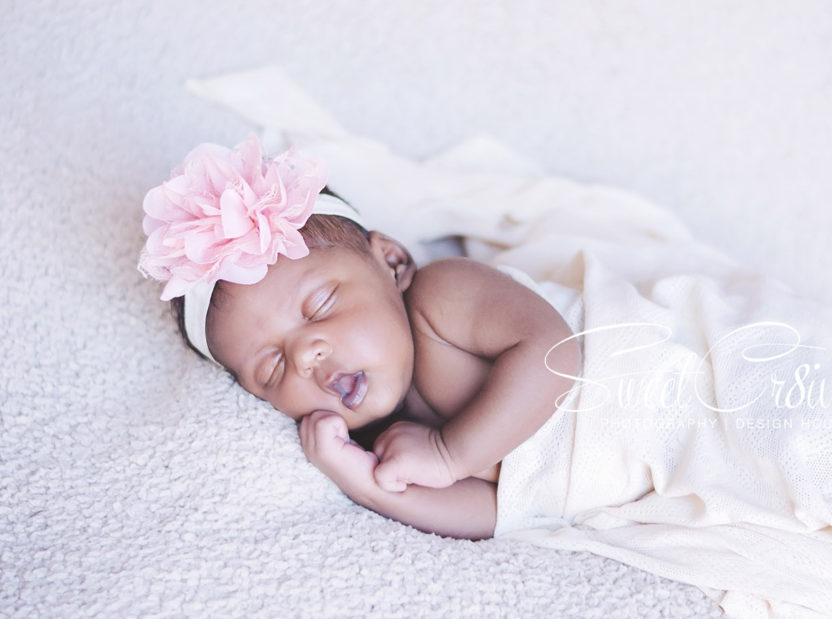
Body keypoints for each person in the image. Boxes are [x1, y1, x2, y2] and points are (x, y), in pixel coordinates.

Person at [138, 135, 581, 540]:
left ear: (391, 261)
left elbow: (553, 352)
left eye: (322, 304)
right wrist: (365, 483)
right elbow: (500, 514)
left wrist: (450, 456)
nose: (306, 356)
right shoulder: (390, 439)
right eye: (271, 368)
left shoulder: (441, 298)